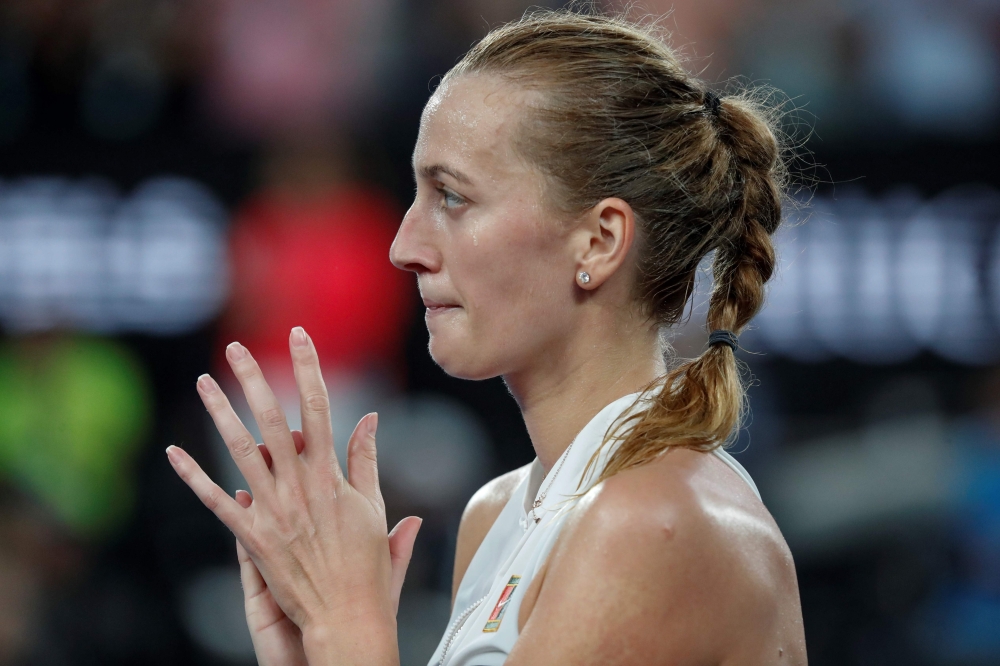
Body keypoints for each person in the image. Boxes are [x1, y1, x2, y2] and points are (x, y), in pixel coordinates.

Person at [167, 9, 808, 665]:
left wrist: (346, 626)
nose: (403, 246)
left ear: (599, 241)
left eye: (452, 197)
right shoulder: (494, 516)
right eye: (417, 194)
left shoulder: (651, 524)